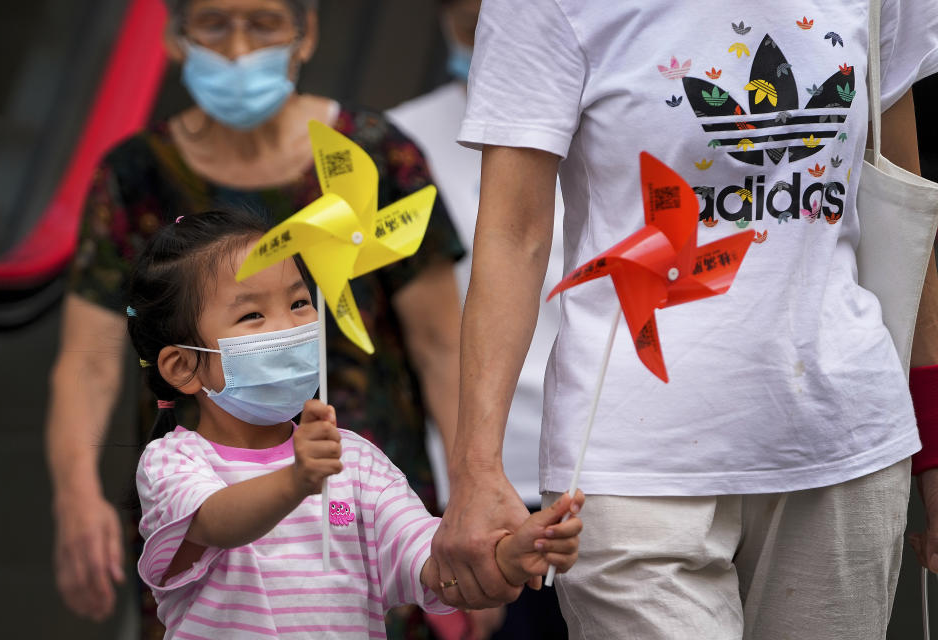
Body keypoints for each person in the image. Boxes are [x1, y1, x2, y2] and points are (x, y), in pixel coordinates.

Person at [431, 1, 938, 638]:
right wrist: (477, 469)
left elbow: (904, 202)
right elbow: (513, 235)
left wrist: (936, 439)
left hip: (844, 441)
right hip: (629, 466)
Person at [45, 0, 464, 628]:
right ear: (175, 36)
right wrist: (76, 495)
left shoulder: (376, 153)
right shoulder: (132, 174)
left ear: (307, 32)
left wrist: (467, 505)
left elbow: (443, 347)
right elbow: (87, 360)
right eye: (214, 23)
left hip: (362, 505)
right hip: (209, 503)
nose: (239, 47)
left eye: (263, 22)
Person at [125, 209, 585, 638]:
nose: (289, 327)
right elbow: (214, 521)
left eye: (300, 302)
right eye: (252, 315)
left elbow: (427, 558)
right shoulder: (171, 462)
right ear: (183, 366)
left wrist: (505, 557)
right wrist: (298, 479)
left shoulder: (356, 461)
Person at [386, 1, 569, 637]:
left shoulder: (627, 121)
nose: (499, 41)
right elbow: (424, 340)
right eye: (474, 26)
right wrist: (460, 489)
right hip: (488, 484)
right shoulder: (398, 144)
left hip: (616, 472)